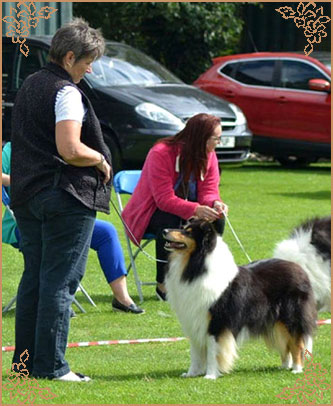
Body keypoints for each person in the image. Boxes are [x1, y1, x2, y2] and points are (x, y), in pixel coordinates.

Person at [9, 18, 112, 382]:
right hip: (64, 196)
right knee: (60, 281)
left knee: (35, 280)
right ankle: (52, 367)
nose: (90, 68)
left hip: (28, 196)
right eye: (88, 60)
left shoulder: (31, 83)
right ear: (69, 57)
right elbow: (69, 149)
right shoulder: (65, 92)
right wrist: (99, 158)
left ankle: (25, 364)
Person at [2, 142, 143, 315]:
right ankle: (56, 301)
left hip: (64, 217)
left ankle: (122, 298)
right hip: (23, 222)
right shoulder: (12, 149)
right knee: (54, 236)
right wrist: (29, 181)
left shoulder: (64, 146)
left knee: (107, 232)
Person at [122, 113, 228, 301]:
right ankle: (164, 285)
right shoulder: (161, 153)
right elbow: (163, 199)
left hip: (188, 212)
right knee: (169, 220)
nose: (218, 143)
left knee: (215, 221)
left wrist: (215, 204)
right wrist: (196, 210)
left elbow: (209, 191)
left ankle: (201, 277)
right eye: (216, 139)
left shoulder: (209, 156)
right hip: (150, 214)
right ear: (200, 138)